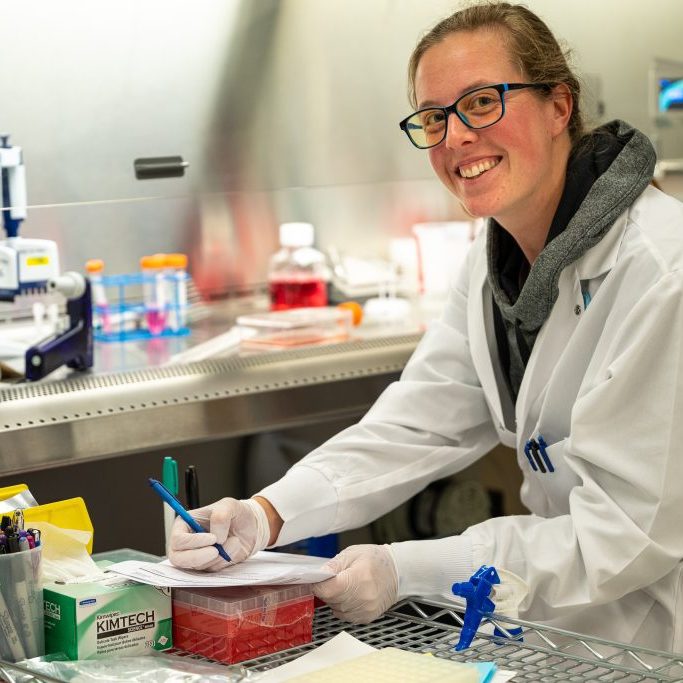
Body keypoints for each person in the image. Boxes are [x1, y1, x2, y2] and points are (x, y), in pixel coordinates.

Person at [169, 2, 683, 652]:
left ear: (559, 105)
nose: (455, 137)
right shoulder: (493, 259)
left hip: (663, 634)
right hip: (563, 627)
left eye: (481, 102)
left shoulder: (663, 272)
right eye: (435, 117)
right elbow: (417, 424)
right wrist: (266, 513)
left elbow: (625, 533)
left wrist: (408, 568)